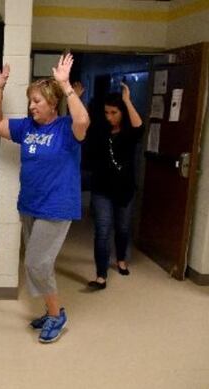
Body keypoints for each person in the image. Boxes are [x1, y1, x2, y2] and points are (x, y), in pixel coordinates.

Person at [0, 54, 90, 343]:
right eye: (30, 101)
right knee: (37, 262)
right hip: (30, 205)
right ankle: (50, 309)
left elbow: (84, 119)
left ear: (52, 103)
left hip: (57, 207)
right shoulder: (27, 128)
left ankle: (57, 315)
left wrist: (65, 85)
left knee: (37, 263)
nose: (32, 106)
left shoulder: (67, 129)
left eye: (37, 101)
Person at [87, 83, 143, 291]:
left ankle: (121, 259)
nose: (110, 116)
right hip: (102, 187)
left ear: (122, 112)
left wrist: (127, 101)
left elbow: (139, 128)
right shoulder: (100, 130)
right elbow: (83, 126)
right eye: (106, 112)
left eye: (114, 112)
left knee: (123, 228)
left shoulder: (129, 133)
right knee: (102, 230)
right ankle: (101, 275)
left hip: (125, 188)